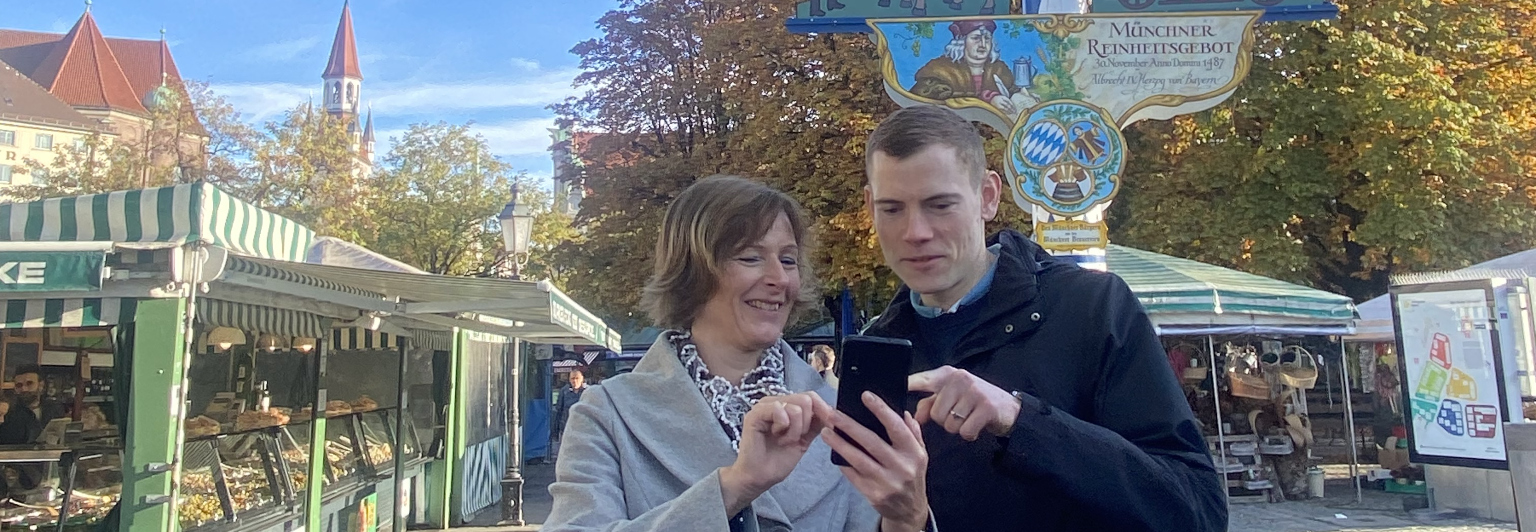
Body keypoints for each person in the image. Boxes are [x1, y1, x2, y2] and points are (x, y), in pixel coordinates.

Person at [831, 105, 1227, 531]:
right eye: (892, 209)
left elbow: (1196, 510)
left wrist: (1020, 421)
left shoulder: (1092, 308)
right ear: (870, 207)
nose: (916, 232)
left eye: (940, 205)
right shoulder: (880, 350)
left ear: (987, 196)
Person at [546, 176, 931, 532]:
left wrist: (908, 520)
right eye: (750, 257)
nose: (779, 278)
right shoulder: (607, 414)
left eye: (788, 259)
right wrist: (733, 487)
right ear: (692, 270)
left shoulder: (839, 413)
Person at [911, 20, 1024, 116]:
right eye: (976, 38)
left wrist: (1022, 98)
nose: (983, 44)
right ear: (961, 42)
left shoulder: (999, 69)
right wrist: (989, 99)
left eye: (987, 38)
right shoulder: (940, 69)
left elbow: (1011, 92)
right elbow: (925, 101)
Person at [0, 365, 66, 445]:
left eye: (29, 383)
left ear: (41, 385)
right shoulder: (8, 412)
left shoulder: (55, 408)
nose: (24, 389)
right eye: (19, 385)